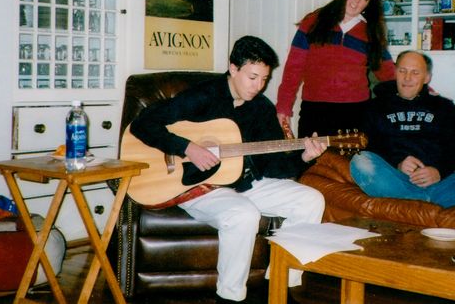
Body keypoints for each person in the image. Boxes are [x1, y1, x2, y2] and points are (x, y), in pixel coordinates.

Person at [130, 35, 327, 303]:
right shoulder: (203, 96)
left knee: (311, 199)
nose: (258, 86)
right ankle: (230, 298)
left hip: (245, 184)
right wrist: (187, 147)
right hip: (199, 188)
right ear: (233, 68)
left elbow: (276, 167)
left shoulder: (261, 108)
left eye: (264, 79)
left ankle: (280, 285)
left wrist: (305, 155)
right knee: (243, 214)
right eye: (252, 77)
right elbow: (144, 124)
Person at [349, 50, 455, 208]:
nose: (407, 78)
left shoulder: (444, 107)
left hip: (442, 184)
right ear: (395, 73)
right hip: (397, 180)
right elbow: (368, 145)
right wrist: (397, 164)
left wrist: (439, 172)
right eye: (402, 71)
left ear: (427, 78)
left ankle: (414, 204)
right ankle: (426, 204)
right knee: (361, 161)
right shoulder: (376, 107)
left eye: (415, 72)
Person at [276, 0, 396, 140]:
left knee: (349, 165)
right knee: (311, 163)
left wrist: (421, 88)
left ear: (369, 4)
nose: (356, 2)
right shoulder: (313, 22)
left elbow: (388, 72)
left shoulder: (371, 32)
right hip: (315, 110)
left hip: (356, 111)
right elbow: (293, 69)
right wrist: (283, 107)